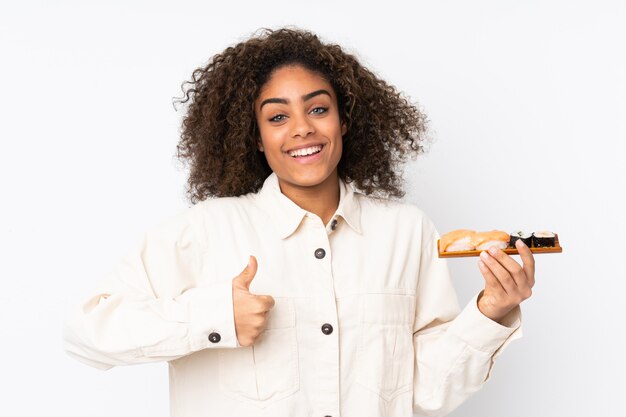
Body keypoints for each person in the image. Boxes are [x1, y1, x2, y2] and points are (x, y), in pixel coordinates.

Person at [63, 27, 535, 417]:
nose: (302, 129)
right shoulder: (206, 231)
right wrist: (212, 316)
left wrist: (489, 310)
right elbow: (86, 333)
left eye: (317, 109)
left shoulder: (406, 232)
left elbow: (425, 392)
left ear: (343, 120)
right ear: (255, 136)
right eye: (277, 117)